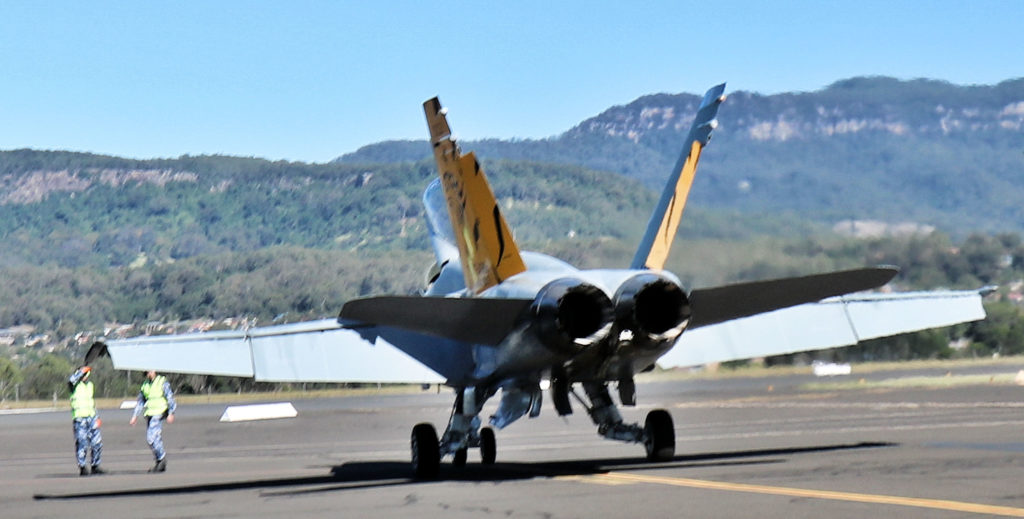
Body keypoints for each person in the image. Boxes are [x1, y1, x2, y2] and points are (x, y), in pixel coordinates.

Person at [129, 370, 176, 473]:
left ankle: (161, 458)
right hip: (150, 413)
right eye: (146, 372)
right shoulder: (145, 385)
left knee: (151, 438)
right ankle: (160, 461)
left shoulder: (162, 382)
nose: (148, 373)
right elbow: (141, 401)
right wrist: (135, 416)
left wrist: (171, 412)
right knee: (155, 439)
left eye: (150, 371)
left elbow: (170, 397)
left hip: (159, 413)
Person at [68, 365, 104, 476]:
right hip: (80, 419)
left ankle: (95, 465)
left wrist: (97, 417)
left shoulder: (90, 385)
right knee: (82, 443)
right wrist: (81, 371)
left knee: (97, 443)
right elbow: (71, 380)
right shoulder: (74, 385)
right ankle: (82, 467)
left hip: (91, 417)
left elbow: (91, 402)